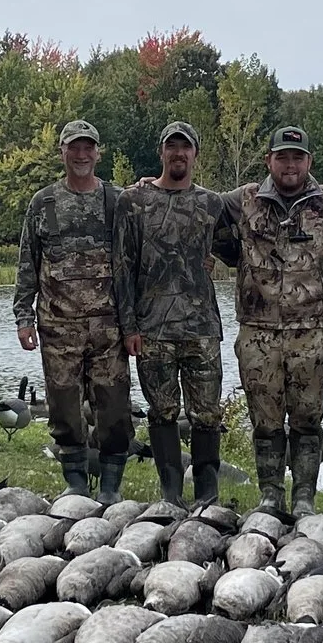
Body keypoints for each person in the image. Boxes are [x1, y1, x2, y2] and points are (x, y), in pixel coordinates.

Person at [215, 125, 323, 516]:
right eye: (282, 157)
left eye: (297, 157)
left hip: (311, 334)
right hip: (258, 334)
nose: (290, 165)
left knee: (308, 420)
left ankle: (304, 497)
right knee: (266, 421)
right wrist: (149, 186)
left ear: (309, 161)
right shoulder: (243, 200)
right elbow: (193, 202)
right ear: (268, 160)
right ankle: (270, 494)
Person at [14, 119, 136, 505]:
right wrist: (23, 317)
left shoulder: (117, 201)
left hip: (109, 329)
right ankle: (76, 483)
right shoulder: (44, 203)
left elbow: (131, 265)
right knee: (64, 410)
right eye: (74, 148)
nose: (81, 155)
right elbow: (28, 262)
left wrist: (133, 324)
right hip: (57, 327)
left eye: (88, 147)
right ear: (62, 152)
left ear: (98, 153)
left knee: (114, 410)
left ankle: (111, 487)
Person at [122, 120, 233, 507]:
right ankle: (170, 492)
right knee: (162, 411)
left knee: (207, 413)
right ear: (162, 152)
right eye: (172, 146)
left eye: (186, 147)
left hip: (202, 328)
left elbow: (236, 249)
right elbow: (123, 266)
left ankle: (207, 493)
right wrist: (129, 326)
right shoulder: (134, 201)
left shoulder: (212, 203)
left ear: (195, 154)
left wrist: (212, 260)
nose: (179, 153)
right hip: (152, 328)